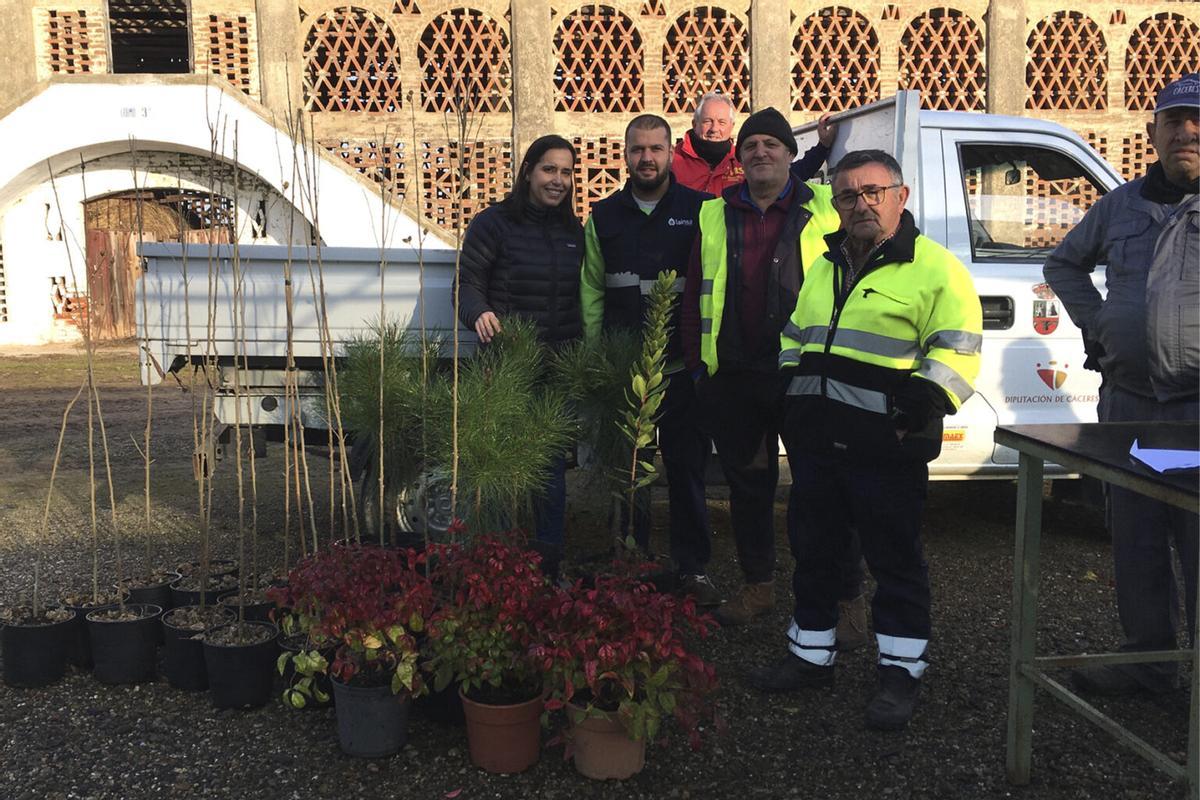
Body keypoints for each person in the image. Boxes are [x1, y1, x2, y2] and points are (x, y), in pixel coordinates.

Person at [749, 149, 982, 732]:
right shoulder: (826, 265)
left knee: (894, 562)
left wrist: (923, 400)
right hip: (818, 445)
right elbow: (795, 334)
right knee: (814, 554)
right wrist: (788, 386)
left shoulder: (937, 269)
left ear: (901, 196)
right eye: (848, 195)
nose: (860, 205)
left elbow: (958, 348)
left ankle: (900, 675)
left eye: (873, 192)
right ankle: (810, 658)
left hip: (886, 450)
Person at [1043, 73, 1199, 696]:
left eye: (1198, 121)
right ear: (1153, 132)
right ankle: (1149, 664)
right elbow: (1064, 263)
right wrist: (1100, 322)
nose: (1188, 132)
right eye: (1175, 121)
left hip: (1195, 414)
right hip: (1130, 407)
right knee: (1137, 537)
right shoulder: (1120, 205)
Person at [680, 107, 864, 631]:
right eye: (751, 145)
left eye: (771, 144)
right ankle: (757, 587)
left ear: (789, 154)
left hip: (805, 375)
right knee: (748, 490)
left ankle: (844, 597)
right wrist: (698, 368)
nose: (761, 151)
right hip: (736, 376)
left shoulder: (826, 205)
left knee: (822, 487)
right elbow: (694, 294)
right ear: (740, 157)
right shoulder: (714, 213)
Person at [579, 114, 720, 605]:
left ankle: (692, 568)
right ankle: (630, 562)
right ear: (625, 154)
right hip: (625, 370)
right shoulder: (603, 216)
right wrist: (597, 357)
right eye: (637, 149)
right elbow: (592, 291)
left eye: (656, 148)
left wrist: (706, 359)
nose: (646, 158)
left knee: (687, 473)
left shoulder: (702, 211)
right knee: (629, 474)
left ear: (670, 152)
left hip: (681, 371)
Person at [456, 134, 584, 570]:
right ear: (528, 171)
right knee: (495, 468)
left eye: (566, 172)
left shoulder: (574, 232)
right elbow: (467, 285)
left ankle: (547, 565)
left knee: (550, 469)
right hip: (504, 367)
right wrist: (479, 312)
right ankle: (493, 568)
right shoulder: (493, 224)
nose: (558, 180)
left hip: (556, 370)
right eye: (549, 169)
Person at [672, 92, 835, 195]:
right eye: (707, 121)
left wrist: (822, 146)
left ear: (732, 126)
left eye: (722, 122)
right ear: (694, 124)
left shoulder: (745, 160)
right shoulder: (672, 161)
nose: (714, 129)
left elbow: (790, 174)